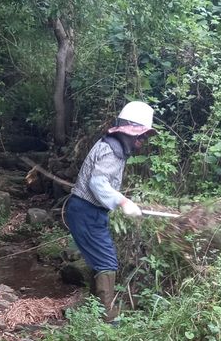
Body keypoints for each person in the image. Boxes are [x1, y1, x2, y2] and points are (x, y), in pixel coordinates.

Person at [65, 101, 157, 323]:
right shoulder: (112, 151)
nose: (142, 141)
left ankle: (93, 307)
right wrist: (124, 202)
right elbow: (97, 184)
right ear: (128, 132)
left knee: (100, 260)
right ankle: (107, 317)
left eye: (144, 137)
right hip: (86, 211)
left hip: (90, 211)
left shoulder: (112, 146)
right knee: (106, 261)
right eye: (140, 136)